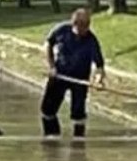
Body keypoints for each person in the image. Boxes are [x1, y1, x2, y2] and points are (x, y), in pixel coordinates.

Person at [41, 8, 106, 138]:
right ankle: (52, 137)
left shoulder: (91, 40)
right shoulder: (61, 30)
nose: (84, 31)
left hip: (80, 78)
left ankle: (78, 141)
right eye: (81, 27)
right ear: (74, 24)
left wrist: (99, 80)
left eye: (86, 27)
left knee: (78, 112)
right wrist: (51, 66)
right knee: (48, 109)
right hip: (60, 75)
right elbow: (48, 44)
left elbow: (99, 65)